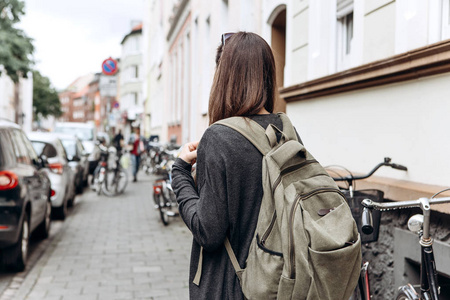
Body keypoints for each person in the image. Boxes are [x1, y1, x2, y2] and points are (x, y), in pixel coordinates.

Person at [172, 32, 290, 299]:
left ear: (224, 78)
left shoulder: (219, 136)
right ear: (267, 76)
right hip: (278, 284)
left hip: (230, 286)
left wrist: (179, 172)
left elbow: (208, 231)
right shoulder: (284, 128)